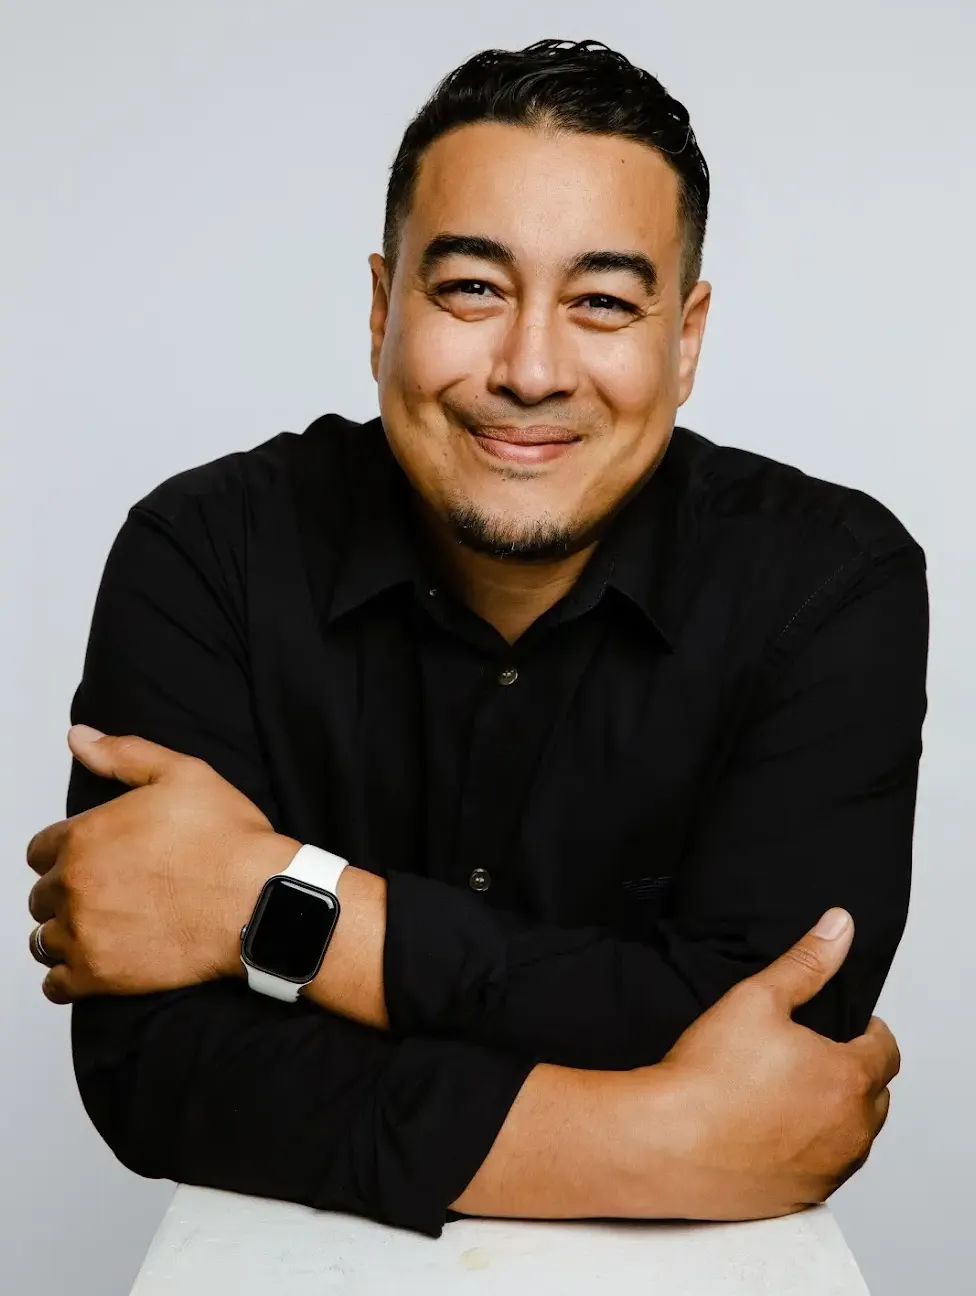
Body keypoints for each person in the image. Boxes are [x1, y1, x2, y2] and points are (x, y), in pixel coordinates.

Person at [25, 38, 924, 1237]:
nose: (531, 369)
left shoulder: (829, 584)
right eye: (470, 290)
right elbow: (155, 1068)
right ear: (381, 307)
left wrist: (276, 906)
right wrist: (641, 1144)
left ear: (685, 338)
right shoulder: (205, 555)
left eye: (602, 302)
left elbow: (788, 1046)